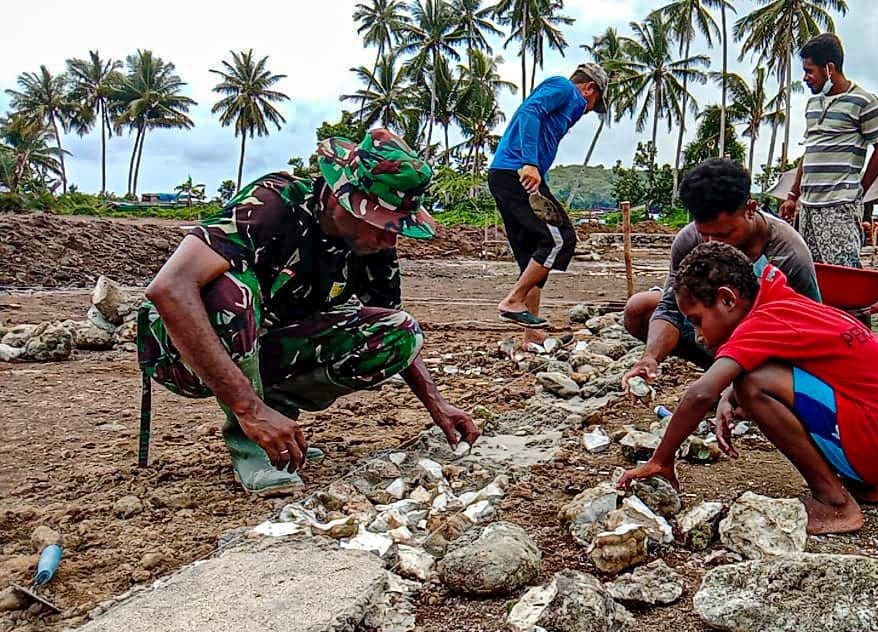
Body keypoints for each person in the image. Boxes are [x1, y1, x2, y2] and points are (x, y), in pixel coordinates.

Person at [138, 129, 480, 496]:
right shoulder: (273, 203)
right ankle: (250, 438)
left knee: (400, 332)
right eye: (383, 224)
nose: (390, 239)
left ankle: (279, 419)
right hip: (178, 351)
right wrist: (250, 410)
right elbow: (169, 289)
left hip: (266, 344)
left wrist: (437, 403)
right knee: (230, 289)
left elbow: (389, 320)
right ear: (342, 200)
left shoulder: (371, 247)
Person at [616, 243, 878, 535]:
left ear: (727, 299)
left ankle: (836, 504)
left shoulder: (761, 322)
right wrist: (729, 395)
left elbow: (700, 393)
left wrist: (661, 460)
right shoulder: (774, 296)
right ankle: (864, 485)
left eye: (697, 321)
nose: (697, 336)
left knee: (754, 385)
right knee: (748, 379)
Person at [621, 158, 820, 384]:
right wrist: (650, 358)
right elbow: (670, 307)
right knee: (640, 308)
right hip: (720, 333)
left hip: (767, 343)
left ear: (750, 209)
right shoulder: (688, 240)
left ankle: (745, 381)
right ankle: (720, 372)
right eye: (704, 234)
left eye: (725, 234)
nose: (712, 243)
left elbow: (810, 329)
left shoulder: (790, 254)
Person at [488, 63, 610, 346]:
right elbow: (531, 111)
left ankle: (532, 335)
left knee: (532, 254)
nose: (588, 111)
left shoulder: (565, 104)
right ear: (589, 88)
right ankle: (513, 300)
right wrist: (530, 162)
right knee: (560, 240)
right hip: (518, 172)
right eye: (593, 105)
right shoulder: (564, 88)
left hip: (507, 174)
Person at [780, 33, 878, 268]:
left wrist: (860, 189)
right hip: (809, 208)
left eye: (810, 71)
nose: (805, 78)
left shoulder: (863, 101)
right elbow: (810, 151)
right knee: (812, 273)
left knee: (843, 270)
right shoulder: (812, 105)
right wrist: (793, 196)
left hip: (838, 206)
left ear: (829, 68)